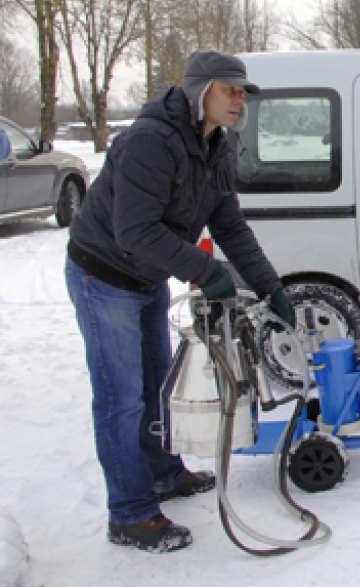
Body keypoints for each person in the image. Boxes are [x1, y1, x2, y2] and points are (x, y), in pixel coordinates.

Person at [65, 49, 296, 553]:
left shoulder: (217, 145)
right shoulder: (152, 141)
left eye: (243, 92)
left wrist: (269, 285)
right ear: (200, 91)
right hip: (103, 275)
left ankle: (163, 474)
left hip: (145, 277)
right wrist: (205, 271)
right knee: (122, 398)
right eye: (230, 90)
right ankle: (129, 514)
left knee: (154, 386)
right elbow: (135, 229)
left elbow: (229, 224)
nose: (240, 100)